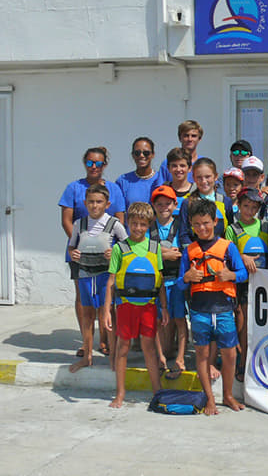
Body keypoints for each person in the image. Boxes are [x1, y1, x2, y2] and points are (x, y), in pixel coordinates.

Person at [178, 199, 247, 415]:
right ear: (190, 223)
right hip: (200, 311)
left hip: (225, 310)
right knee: (202, 355)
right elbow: (180, 283)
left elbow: (243, 273)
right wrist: (188, 277)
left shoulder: (228, 247)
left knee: (230, 355)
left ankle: (227, 396)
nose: (202, 228)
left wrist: (231, 275)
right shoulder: (190, 250)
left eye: (206, 223)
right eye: (197, 224)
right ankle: (209, 398)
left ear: (215, 221)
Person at [59, 146, 126, 358]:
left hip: (106, 255)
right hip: (80, 253)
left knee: (106, 297)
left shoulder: (114, 189)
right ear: (84, 163)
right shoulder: (73, 188)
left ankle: (105, 341)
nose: (94, 167)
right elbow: (67, 221)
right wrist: (81, 245)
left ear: (105, 165)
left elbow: (119, 221)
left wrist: (110, 249)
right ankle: (86, 342)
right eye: (90, 162)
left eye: (98, 163)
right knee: (84, 297)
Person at [101, 202, 168, 408]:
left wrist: (163, 308)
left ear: (149, 225)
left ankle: (157, 391)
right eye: (134, 223)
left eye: (142, 224)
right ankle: (120, 392)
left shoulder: (155, 247)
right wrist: (106, 310)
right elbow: (111, 281)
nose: (138, 228)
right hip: (126, 306)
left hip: (148, 305)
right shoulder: (120, 248)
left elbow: (161, 281)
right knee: (123, 348)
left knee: (149, 348)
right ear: (128, 223)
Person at [67, 183, 128, 371]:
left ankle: (113, 356)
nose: (95, 206)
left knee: (107, 313)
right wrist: (73, 253)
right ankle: (87, 355)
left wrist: (115, 251)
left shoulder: (114, 224)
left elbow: (128, 247)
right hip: (85, 274)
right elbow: (71, 246)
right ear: (85, 203)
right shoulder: (79, 223)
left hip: (105, 275)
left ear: (107, 204)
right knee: (87, 314)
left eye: (99, 202)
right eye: (91, 202)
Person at [225, 187, 268, 381]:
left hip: (262, 281)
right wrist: (242, 257)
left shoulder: (263, 226)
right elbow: (227, 255)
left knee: (257, 322)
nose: (249, 211)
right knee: (241, 321)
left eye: (253, 207)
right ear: (239, 206)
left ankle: (256, 359)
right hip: (242, 281)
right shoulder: (232, 229)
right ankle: (241, 361)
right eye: (246, 206)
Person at [148, 185, 187, 380]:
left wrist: (159, 253)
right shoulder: (149, 227)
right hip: (157, 282)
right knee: (157, 321)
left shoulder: (180, 225)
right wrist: (165, 253)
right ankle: (161, 356)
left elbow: (182, 252)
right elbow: (145, 252)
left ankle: (180, 357)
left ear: (174, 204)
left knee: (179, 320)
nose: (164, 207)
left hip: (177, 281)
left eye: (168, 203)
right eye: (159, 203)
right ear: (153, 205)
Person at [178, 158, 231, 246]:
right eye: (199, 177)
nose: (203, 181)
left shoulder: (225, 201)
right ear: (193, 178)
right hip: (196, 254)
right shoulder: (188, 203)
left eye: (207, 177)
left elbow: (230, 231)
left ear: (215, 176)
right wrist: (195, 254)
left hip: (220, 254)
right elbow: (184, 234)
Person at [115, 137, 165, 209]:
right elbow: (119, 211)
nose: (141, 156)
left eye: (146, 153)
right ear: (133, 155)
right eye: (137, 153)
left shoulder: (161, 179)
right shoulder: (123, 181)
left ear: (153, 155)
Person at [162, 148, 196, 218]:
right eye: (174, 166)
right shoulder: (162, 191)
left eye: (182, 166)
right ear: (168, 168)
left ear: (189, 168)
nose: (178, 169)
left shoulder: (197, 192)